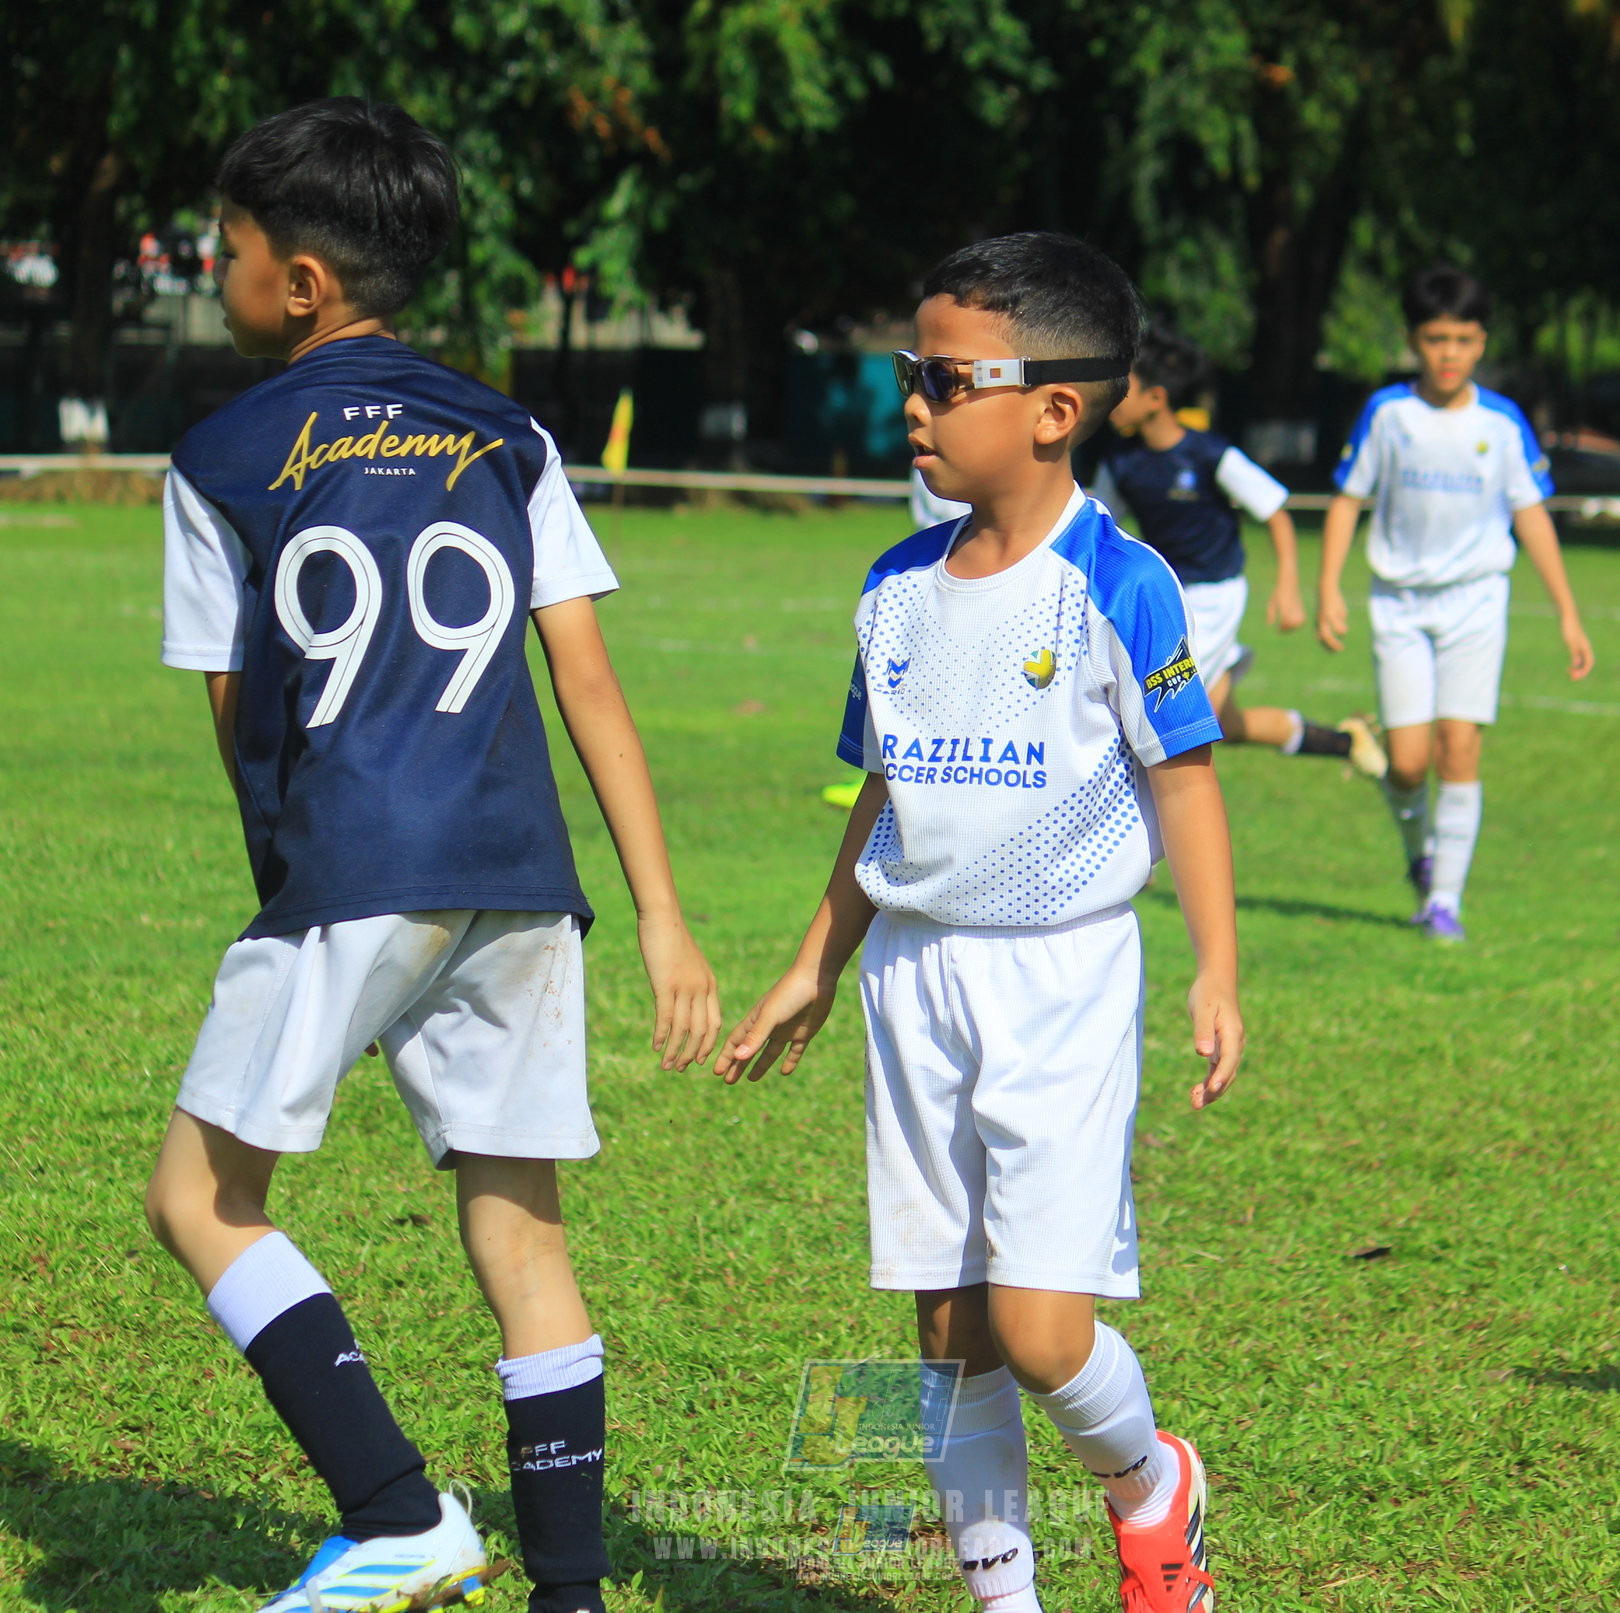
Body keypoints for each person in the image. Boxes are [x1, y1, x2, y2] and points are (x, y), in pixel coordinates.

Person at [141, 99, 720, 1613]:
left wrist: (290, 875)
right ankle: (571, 1595)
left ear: (303, 284)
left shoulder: (218, 454)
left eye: (230, 248)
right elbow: (583, 681)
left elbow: (236, 712)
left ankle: (395, 1511)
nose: (219, 270)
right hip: (520, 871)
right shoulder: (506, 434)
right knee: (519, 1223)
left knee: (200, 1199)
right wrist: (660, 913)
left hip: (352, 865)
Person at [713, 233, 1238, 1613]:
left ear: (1054, 408)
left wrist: (1215, 967)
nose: (911, 405)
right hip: (911, 979)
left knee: (1041, 1329)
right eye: (908, 374)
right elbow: (878, 793)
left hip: (1058, 978)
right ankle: (1002, 1598)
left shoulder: (1115, 585)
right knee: (947, 1330)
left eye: (942, 379)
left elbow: (1183, 781)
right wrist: (810, 965)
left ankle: (1147, 1484)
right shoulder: (890, 588)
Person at [1315, 265, 1594, 943]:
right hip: (1399, 605)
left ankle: (1444, 903)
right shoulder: (1387, 413)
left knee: (1458, 748)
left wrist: (1566, 611)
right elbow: (1348, 499)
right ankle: (1420, 859)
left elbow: (1530, 517)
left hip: (1476, 601)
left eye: (1463, 339)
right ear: (1413, 339)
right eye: (1435, 338)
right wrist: (1327, 586)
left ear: (1481, 343)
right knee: (1408, 762)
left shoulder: (1501, 423)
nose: (1448, 353)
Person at [1096, 323, 1385, 777]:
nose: (1112, 396)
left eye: (1125, 387)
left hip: (1215, 595)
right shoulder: (1122, 461)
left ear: (1156, 399)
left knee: (1168, 710)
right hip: (1167, 596)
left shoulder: (1210, 454)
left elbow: (1275, 510)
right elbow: (1102, 527)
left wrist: (1287, 586)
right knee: (1223, 722)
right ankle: (1344, 741)